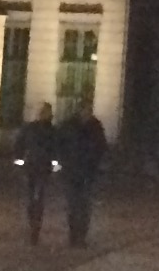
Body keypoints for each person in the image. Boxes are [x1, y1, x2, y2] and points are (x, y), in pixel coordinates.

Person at [56, 101, 107, 248]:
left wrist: (97, 163)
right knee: (73, 205)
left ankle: (81, 236)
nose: (87, 113)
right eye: (85, 110)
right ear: (79, 110)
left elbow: (102, 147)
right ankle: (73, 235)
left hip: (88, 172)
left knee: (85, 206)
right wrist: (62, 163)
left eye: (89, 110)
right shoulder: (68, 126)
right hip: (71, 171)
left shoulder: (95, 126)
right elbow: (59, 145)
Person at [17, 100, 58, 242]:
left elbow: (56, 150)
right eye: (41, 112)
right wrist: (19, 162)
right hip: (30, 166)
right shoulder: (30, 128)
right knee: (30, 198)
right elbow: (20, 145)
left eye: (46, 112)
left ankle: (36, 226)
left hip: (44, 168)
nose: (43, 114)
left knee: (39, 197)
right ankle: (32, 223)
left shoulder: (52, 131)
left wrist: (54, 165)